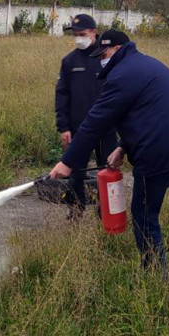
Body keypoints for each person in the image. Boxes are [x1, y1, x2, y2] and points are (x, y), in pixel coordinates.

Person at [50, 30, 169, 273]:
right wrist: (123, 146)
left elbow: (95, 122)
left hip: (157, 157)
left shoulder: (122, 75)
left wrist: (67, 162)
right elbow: (150, 114)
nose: (102, 58)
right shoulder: (151, 65)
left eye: (105, 52)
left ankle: (154, 277)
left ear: (119, 49)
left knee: (144, 215)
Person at [55, 14, 118, 221]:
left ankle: (105, 212)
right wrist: (64, 127)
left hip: (105, 129)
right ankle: (75, 210)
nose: (78, 38)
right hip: (78, 130)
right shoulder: (69, 61)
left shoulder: (107, 58)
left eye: (82, 34)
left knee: (107, 170)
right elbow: (62, 95)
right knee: (75, 173)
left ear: (94, 32)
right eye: (75, 35)